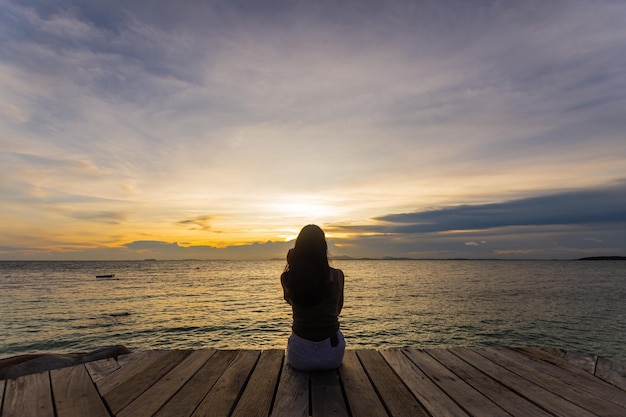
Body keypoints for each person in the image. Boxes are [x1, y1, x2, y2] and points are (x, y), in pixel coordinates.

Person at [280, 224, 345, 371]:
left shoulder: (287, 278)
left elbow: (290, 301)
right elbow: (337, 310)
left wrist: (292, 266)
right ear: (323, 248)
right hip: (332, 356)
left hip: (299, 357)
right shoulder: (337, 276)